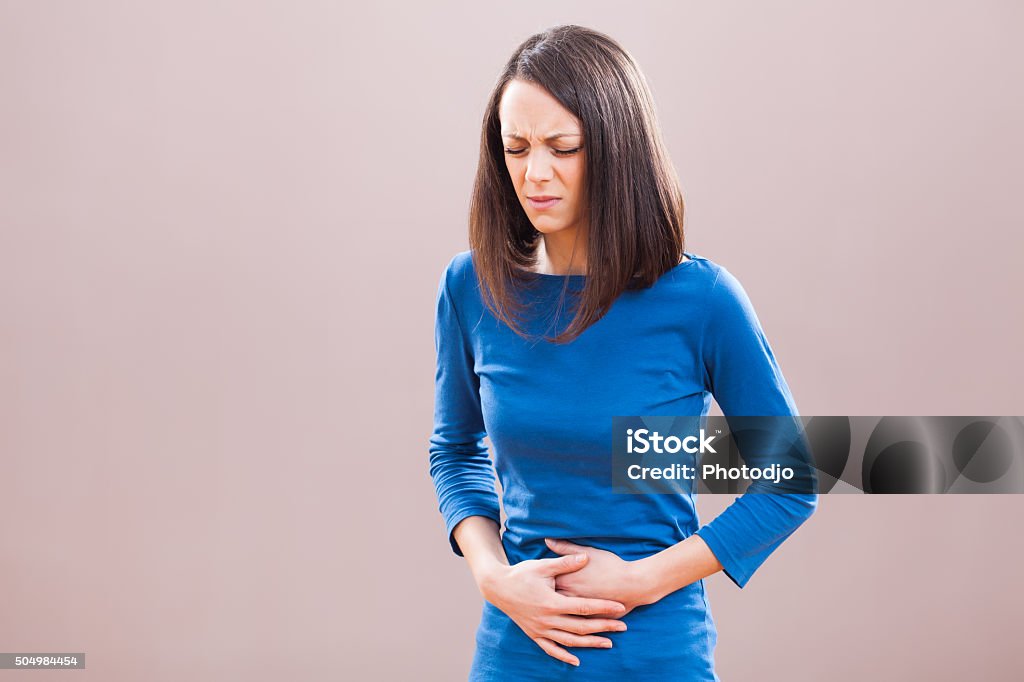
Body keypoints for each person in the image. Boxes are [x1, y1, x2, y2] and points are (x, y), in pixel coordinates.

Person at [428, 24, 817, 680]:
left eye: (563, 148)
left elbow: (793, 479)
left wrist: (641, 580)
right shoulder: (470, 287)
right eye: (515, 148)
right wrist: (494, 577)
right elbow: (453, 449)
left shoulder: (702, 299)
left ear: (615, 150)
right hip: (517, 647)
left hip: (655, 650)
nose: (535, 173)